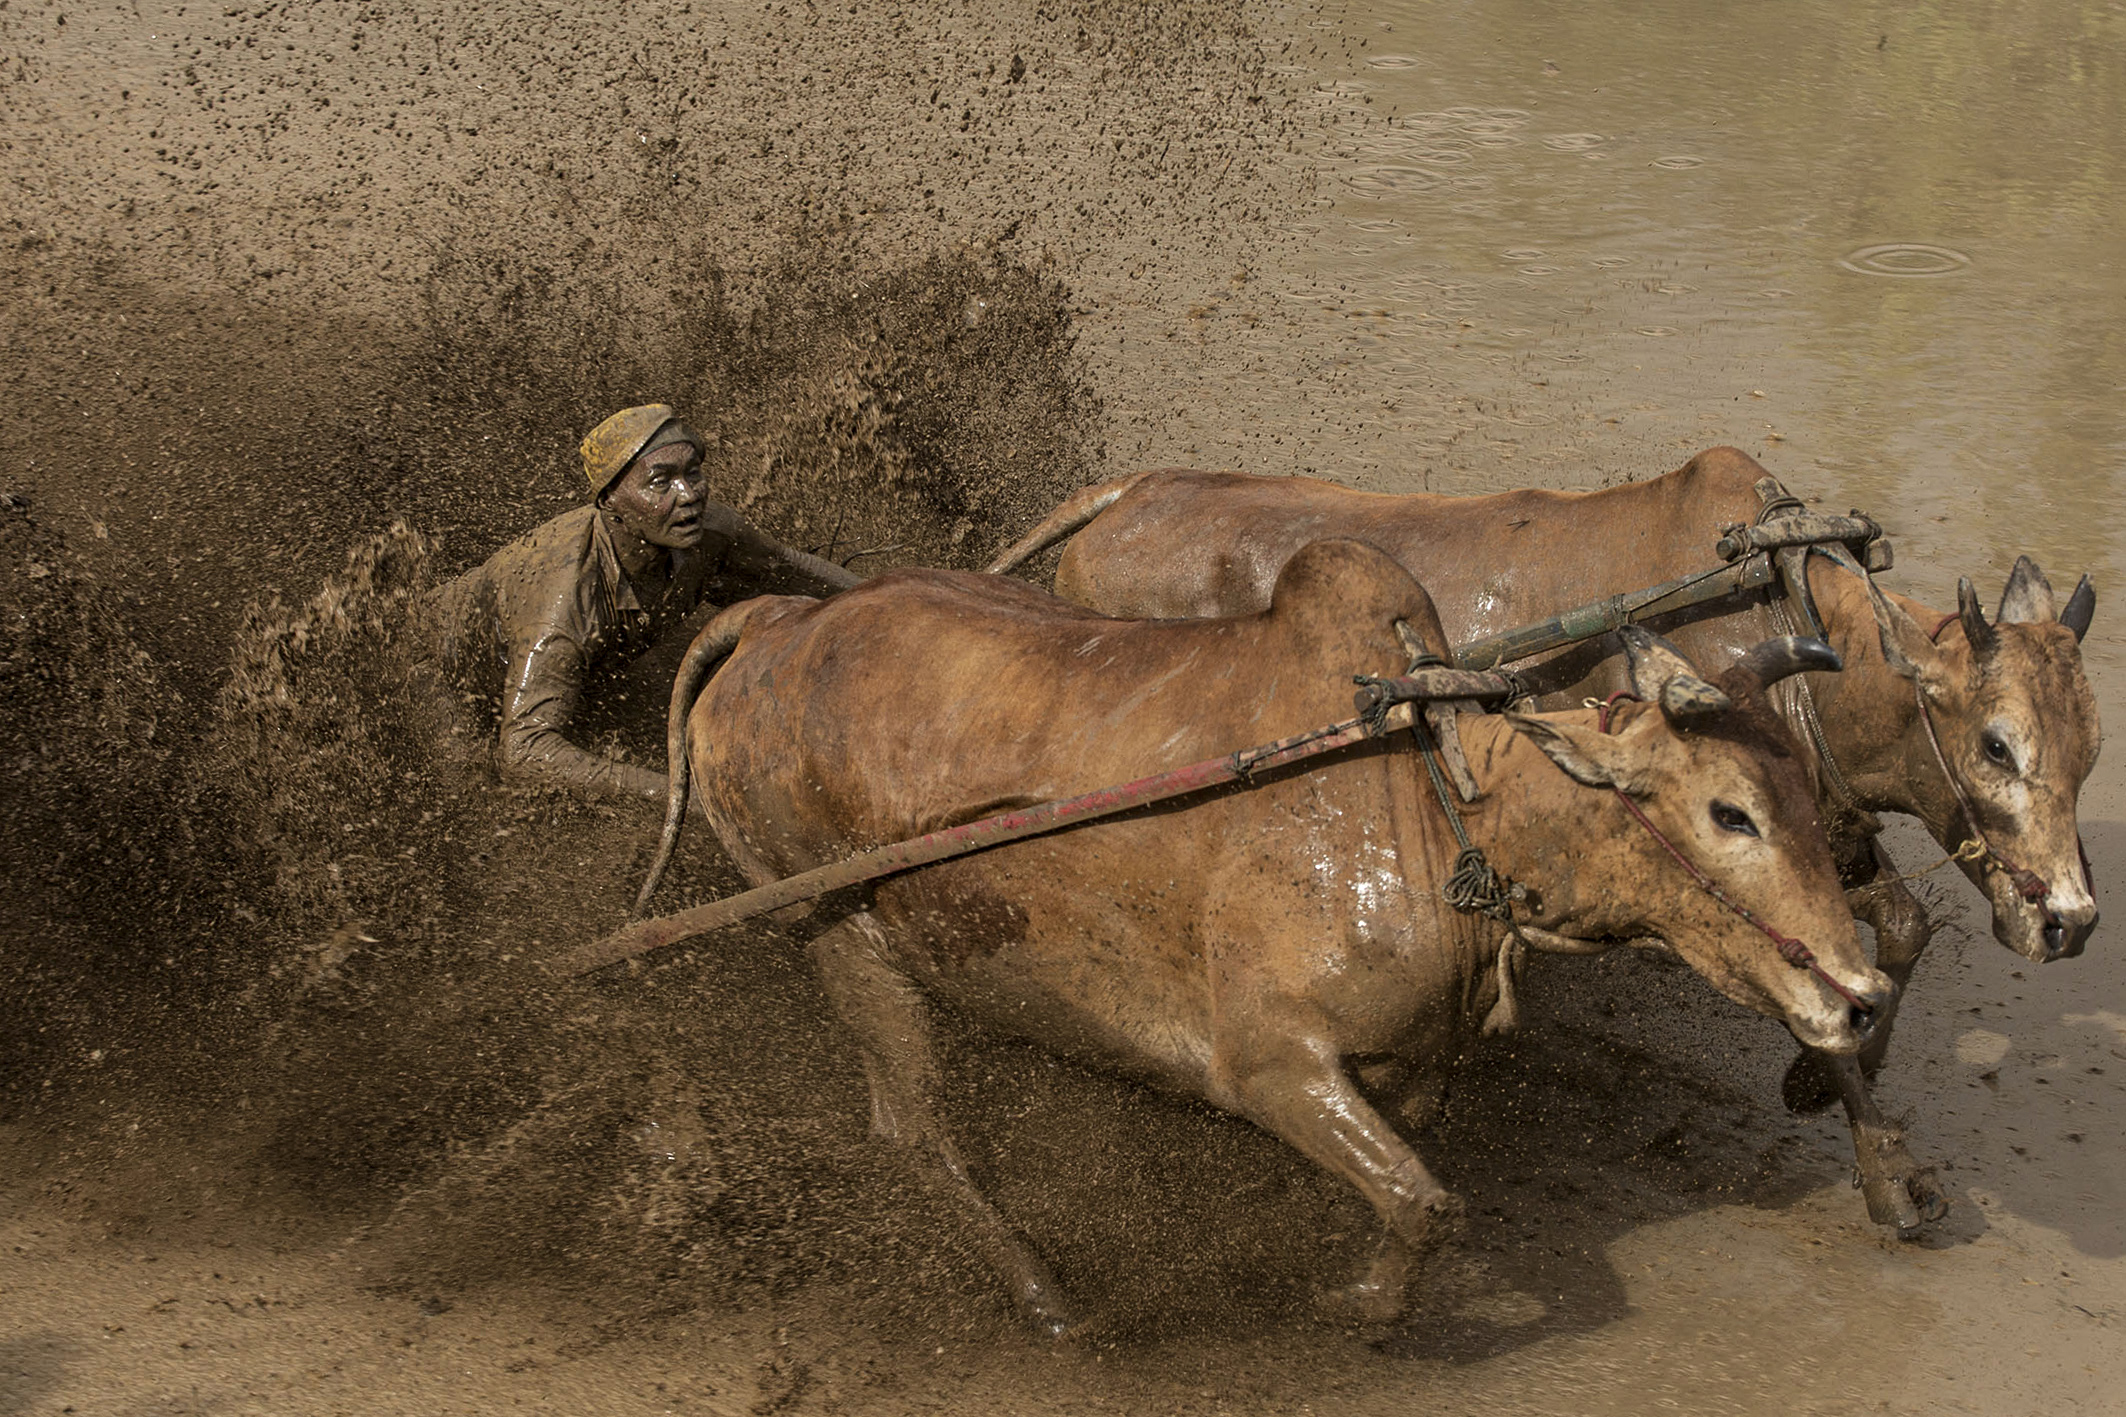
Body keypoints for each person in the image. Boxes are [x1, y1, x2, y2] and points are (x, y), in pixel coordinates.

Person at [422, 404, 859, 799]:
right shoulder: (566, 601)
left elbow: (790, 568)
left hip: (585, 669)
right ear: (609, 500)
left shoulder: (709, 533)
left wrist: (904, 592)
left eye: (693, 473)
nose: (688, 495)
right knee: (468, 787)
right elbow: (524, 751)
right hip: (435, 672)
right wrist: (679, 796)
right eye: (660, 482)